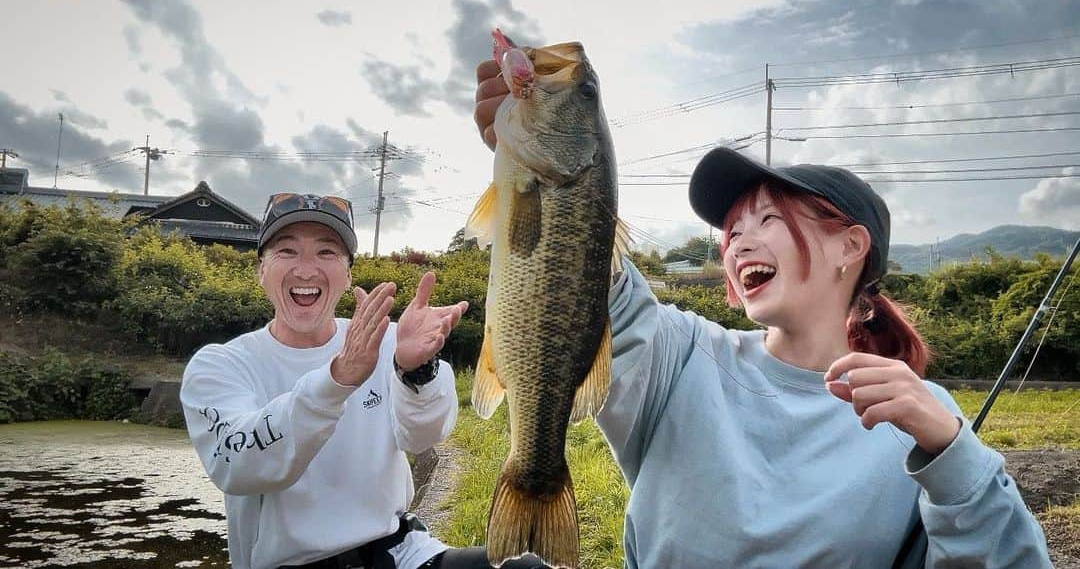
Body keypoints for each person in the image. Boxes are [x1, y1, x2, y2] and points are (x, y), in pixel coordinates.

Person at [474, 60, 1052, 568]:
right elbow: (575, 279)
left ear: (850, 247)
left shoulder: (924, 421)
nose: (739, 243)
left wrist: (954, 461)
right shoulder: (681, 353)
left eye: (768, 220)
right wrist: (543, 145)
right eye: (732, 231)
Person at [181, 192, 545, 569]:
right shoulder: (221, 365)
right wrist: (337, 380)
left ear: (348, 273)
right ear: (260, 270)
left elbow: (422, 437)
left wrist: (415, 369)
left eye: (327, 252)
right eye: (286, 251)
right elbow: (237, 466)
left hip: (398, 552)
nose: (306, 269)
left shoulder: (386, 340)